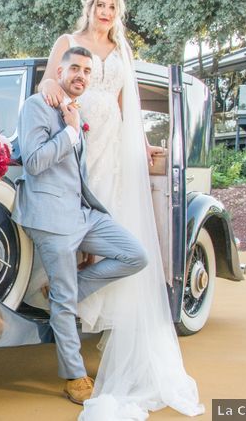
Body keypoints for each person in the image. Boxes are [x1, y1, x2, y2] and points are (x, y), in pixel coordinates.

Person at [35, 0, 205, 420]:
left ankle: (69, 299)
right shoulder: (68, 43)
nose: (105, 12)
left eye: (112, 6)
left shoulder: (123, 50)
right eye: (99, 4)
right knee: (71, 240)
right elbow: (49, 83)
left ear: (118, 12)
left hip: (115, 153)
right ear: (88, 7)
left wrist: (143, 146)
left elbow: (130, 107)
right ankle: (66, 329)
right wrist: (52, 91)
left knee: (118, 245)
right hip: (76, 149)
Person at [11, 45, 148, 405]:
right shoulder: (36, 107)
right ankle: (74, 376)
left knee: (134, 255)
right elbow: (35, 162)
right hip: (49, 217)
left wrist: (75, 129)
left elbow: (78, 174)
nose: (81, 76)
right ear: (60, 71)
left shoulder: (76, 110)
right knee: (65, 296)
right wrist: (71, 133)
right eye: (75, 69)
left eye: (87, 71)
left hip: (83, 214)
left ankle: (61, 298)